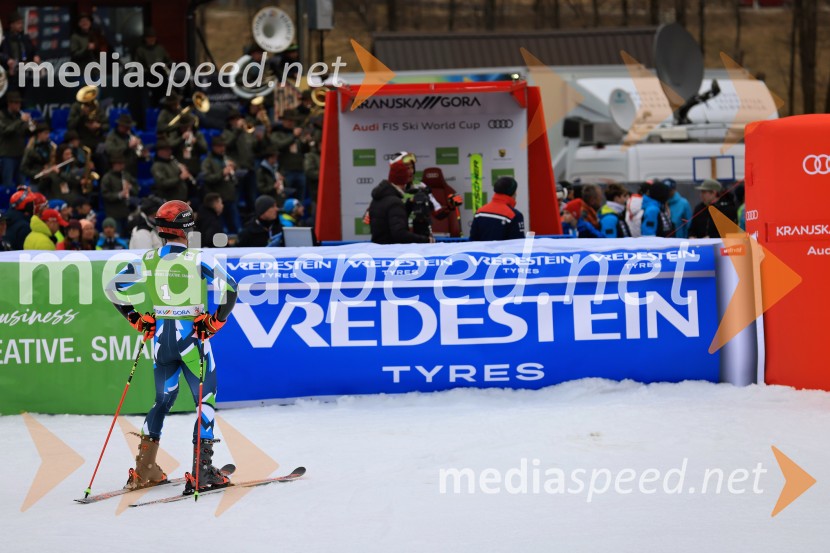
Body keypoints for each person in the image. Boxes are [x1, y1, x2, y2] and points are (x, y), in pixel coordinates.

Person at [107, 200, 238, 493]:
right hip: (192, 339)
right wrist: (215, 321)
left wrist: (137, 319)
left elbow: (112, 288)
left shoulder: (148, 259)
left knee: (162, 401)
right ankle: (203, 471)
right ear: (188, 228)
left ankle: (144, 470)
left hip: (161, 342)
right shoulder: (197, 258)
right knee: (204, 401)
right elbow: (231, 287)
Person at [369, 161, 431, 244]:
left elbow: (387, 224)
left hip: (379, 251)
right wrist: (426, 240)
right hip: (392, 252)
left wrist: (408, 205)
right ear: (404, 181)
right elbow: (400, 234)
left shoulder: (377, 198)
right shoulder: (395, 202)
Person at [200, 135, 240, 233]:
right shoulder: (207, 161)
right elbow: (207, 178)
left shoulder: (227, 159)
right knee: (219, 230)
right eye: (220, 146)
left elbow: (237, 175)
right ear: (214, 147)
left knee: (235, 227)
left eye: (224, 146)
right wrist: (221, 174)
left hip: (230, 197)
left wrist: (234, 168)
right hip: (217, 200)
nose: (222, 148)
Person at [469, 176, 526, 241]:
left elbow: (472, 241)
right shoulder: (514, 215)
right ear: (513, 193)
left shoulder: (479, 212)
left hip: (482, 251)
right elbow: (517, 244)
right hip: (503, 251)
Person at [101, 152, 138, 233]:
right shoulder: (107, 178)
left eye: (122, 164)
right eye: (119, 164)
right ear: (113, 165)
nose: (122, 166)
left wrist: (130, 187)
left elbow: (136, 190)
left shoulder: (126, 175)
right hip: (114, 213)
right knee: (118, 234)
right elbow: (105, 195)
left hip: (127, 212)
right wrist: (119, 195)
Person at [421, 167, 463, 238]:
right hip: (416, 237)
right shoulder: (413, 191)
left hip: (441, 239)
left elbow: (439, 213)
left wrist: (450, 207)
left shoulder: (426, 192)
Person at [0, 11, 41, 82]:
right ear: (11, 25)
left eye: (22, 23)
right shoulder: (4, 39)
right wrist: (7, 60)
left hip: (25, 72)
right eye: (18, 23)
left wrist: (36, 56)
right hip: (10, 73)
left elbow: (34, 50)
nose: (21, 25)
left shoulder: (25, 37)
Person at [0, 91, 30, 186]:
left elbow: (25, 133)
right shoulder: (2, 115)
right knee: (7, 185)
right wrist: (20, 121)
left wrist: (29, 126)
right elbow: (6, 131)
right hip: (7, 155)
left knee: (22, 186)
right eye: (16, 103)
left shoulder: (19, 116)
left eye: (19, 103)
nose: (18, 105)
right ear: (9, 103)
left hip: (20, 155)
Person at [151, 138, 191, 202]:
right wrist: (180, 178)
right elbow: (162, 183)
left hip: (181, 198)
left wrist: (182, 170)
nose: (170, 151)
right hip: (169, 200)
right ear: (160, 152)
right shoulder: (157, 166)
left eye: (170, 149)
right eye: (167, 150)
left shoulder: (172, 161)